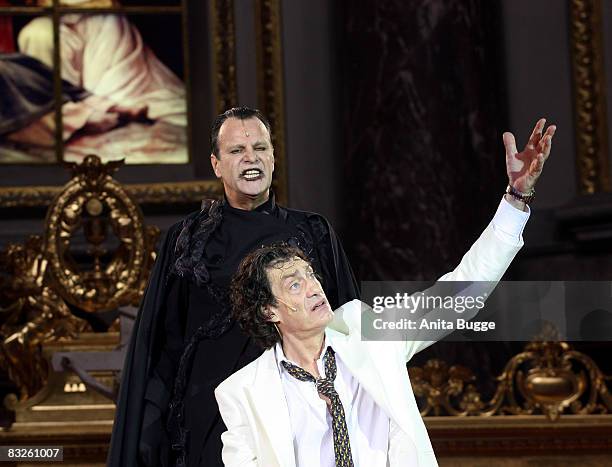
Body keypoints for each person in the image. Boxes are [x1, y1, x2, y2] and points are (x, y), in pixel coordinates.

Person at [216, 120, 556, 466]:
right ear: (268, 311)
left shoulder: (368, 331)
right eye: (294, 284)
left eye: (310, 275)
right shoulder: (242, 393)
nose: (313, 287)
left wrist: (515, 198)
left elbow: (458, 294)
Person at [108, 107, 359, 467]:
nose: (250, 158)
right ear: (216, 164)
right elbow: (163, 342)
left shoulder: (314, 232)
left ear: (273, 158)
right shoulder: (185, 239)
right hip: (209, 416)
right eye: (237, 151)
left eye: (260, 148)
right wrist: (149, 427)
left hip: (297, 413)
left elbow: (347, 324)